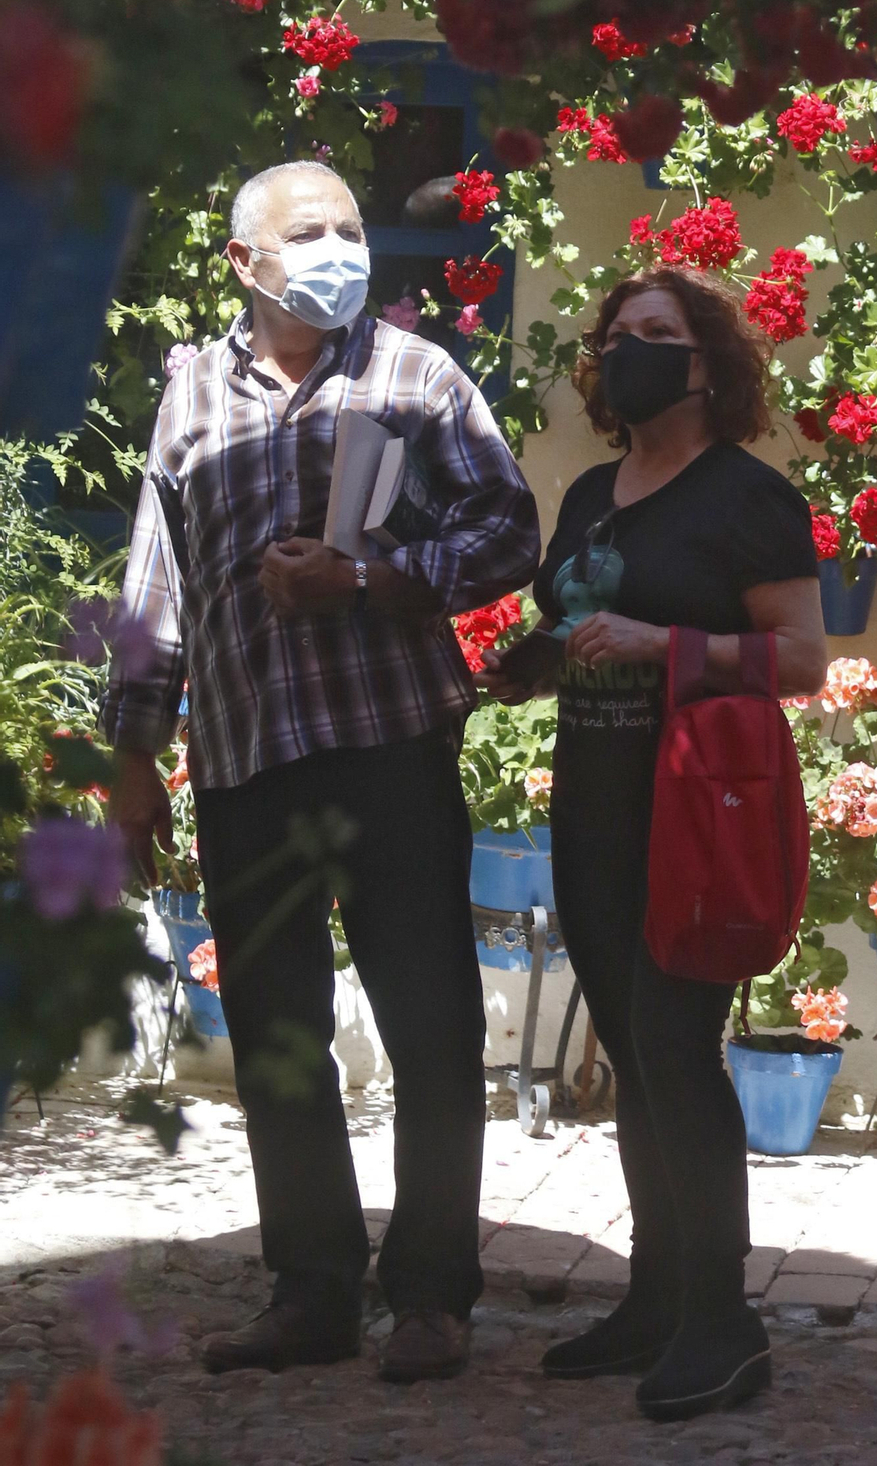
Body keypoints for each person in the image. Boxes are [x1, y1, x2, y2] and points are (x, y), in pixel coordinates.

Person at [103, 160, 542, 1384]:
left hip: (388, 741)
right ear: (246, 261)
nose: (340, 248)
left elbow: (509, 530)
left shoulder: (416, 374)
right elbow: (156, 584)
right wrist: (133, 755)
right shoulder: (191, 393)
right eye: (310, 232)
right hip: (246, 753)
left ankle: (432, 1296)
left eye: (350, 226)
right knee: (276, 1034)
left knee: (431, 1023)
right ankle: (312, 1292)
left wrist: (372, 579)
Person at [478, 265, 826, 1423]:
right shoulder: (591, 493)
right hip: (596, 803)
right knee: (633, 1048)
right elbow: (581, 622)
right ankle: (657, 1293)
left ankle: (724, 1320)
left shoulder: (748, 498)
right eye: (616, 332)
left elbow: (801, 659)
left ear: (706, 361)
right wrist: (531, 663)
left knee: (678, 1047)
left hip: (699, 813)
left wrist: (664, 644)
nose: (629, 348)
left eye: (657, 331)